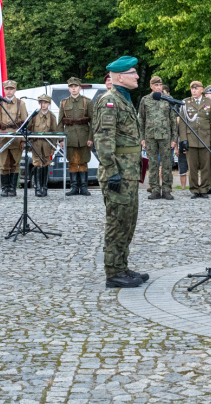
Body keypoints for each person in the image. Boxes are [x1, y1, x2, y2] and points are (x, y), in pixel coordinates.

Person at [94, 56, 149, 288]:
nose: (137, 76)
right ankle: (114, 272)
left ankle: (122, 266)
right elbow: (103, 139)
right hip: (118, 172)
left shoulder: (124, 99)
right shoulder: (109, 101)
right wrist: (111, 170)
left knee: (128, 221)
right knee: (117, 222)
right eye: (132, 73)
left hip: (129, 171)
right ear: (119, 77)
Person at [179, 81, 211, 198]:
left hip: (205, 138)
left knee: (205, 166)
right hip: (191, 139)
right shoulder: (185, 102)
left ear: (202, 90)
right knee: (192, 167)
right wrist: (183, 139)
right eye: (192, 89)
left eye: (196, 89)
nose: (194, 91)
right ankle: (194, 189)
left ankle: (203, 189)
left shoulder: (209, 103)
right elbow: (182, 122)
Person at [137, 76, 175, 200]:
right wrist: (142, 137)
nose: (159, 87)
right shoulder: (145, 100)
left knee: (167, 164)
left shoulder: (168, 99)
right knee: (153, 163)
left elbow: (173, 120)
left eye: (160, 85)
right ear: (151, 86)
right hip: (150, 136)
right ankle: (154, 189)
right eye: (156, 85)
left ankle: (167, 189)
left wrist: (174, 138)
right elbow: (141, 119)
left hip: (165, 136)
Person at [0, 80, 28, 197]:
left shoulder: (21, 104)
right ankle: (5, 188)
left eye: (11, 89)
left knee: (15, 163)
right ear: (4, 90)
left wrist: (23, 140)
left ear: (15, 90)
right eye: (7, 89)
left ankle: (13, 188)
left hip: (16, 138)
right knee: (3, 164)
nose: (9, 91)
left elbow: (25, 124)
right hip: (2, 138)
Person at [59, 77, 95, 197]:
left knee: (83, 161)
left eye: (75, 86)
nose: (73, 89)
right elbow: (60, 122)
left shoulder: (87, 102)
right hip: (70, 137)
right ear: (69, 89)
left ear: (80, 88)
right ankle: (74, 187)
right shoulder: (64, 103)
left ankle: (83, 187)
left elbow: (93, 121)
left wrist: (91, 138)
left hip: (84, 136)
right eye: (71, 87)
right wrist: (60, 139)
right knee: (72, 162)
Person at [28, 94, 58, 197]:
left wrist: (53, 147)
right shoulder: (34, 116)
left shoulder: (52, 117)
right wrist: (29, 141)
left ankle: (44, 187)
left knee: (45, 164)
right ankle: (37, 188)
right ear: (39, 103)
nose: (43, 105)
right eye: (41, 103)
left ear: (49, 104)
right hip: (36, 144)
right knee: (37, 164)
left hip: (47, 144)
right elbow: (29, 129)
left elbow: (55, 133)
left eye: (45, 103)